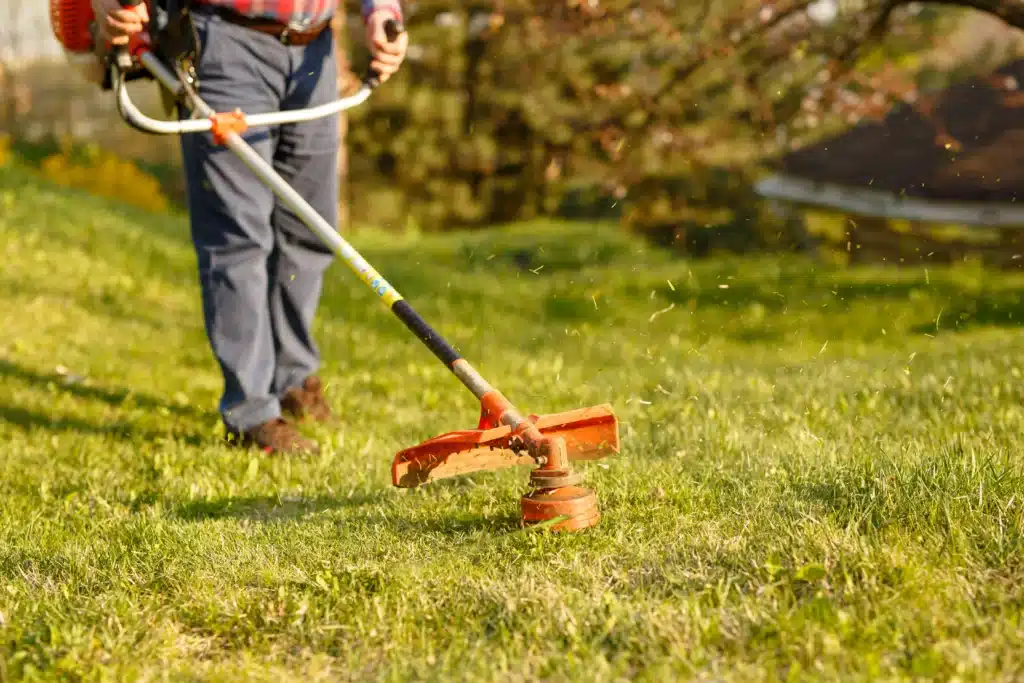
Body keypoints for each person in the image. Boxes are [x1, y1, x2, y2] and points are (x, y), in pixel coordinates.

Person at [92, 0, 408, 454]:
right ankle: (251, 413)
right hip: (225, 43)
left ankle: (293, 379)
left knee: (309, 230)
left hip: (313, 48)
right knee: (238, 236)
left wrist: (381, 10)